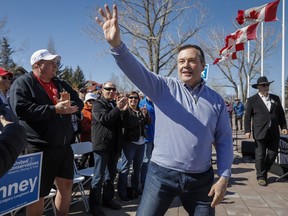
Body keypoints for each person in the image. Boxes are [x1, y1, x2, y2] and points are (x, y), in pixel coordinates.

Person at [95, 5, 233, 216]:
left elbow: (224, 141)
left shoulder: (216, 101)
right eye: (181, 61)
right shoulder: (163, 88)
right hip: (161, 176)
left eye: (191, 60)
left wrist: (224, 177)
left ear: (202, 65)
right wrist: (116, 45)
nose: (185, 65)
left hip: (200, 180)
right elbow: (136, 70)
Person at [9, 49, 84, 216]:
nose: (55, 66)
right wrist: (54, 109)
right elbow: (20, 109)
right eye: (50, 62)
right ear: (37, 65)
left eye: (55, 62)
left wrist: (70, 106)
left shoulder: (60, 83)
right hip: (39, 147)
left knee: (66, 186)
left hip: (64, 146)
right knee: (38, 194)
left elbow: (79, 101)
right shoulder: (23, 82)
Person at [89, 81, 127, 216]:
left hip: (114, 145)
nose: (111, 91)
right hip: (102, 145)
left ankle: (108, 199)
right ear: (102, 90)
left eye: (113, 89)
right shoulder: (98, 104)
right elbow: (105, 119)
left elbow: (121, 123)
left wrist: (123, 110)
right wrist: (118, 108)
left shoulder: (113, 104)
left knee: (110, 175)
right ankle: (94, 205)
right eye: (108, 89)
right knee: (98, 176)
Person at [244, 76, 287, 186]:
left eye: (267, 85)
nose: (266, 87)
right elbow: (247, 117)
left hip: (273, 131)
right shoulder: (252, 100)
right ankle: (261, 176)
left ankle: (264, 170)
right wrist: (247, 130)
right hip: (259, 131)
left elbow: (281, 115)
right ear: (258, 87)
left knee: (273, 154)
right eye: (263, 85)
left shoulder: (275, 98)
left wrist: (284, 127)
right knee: (260, 155)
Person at [117, 91, 150, 202]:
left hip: (141, 144)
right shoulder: (126, 111)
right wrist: (141, 116)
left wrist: (146, 114)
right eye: (131, 98)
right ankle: (122, 193)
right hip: (129, 144)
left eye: (135, 98)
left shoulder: (141, 111)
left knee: (138, 168)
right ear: (128, 99)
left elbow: (148, 123)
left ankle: (136, 188)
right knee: (125, 168)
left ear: (138, 100)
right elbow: (129, 123)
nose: (133, 100)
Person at [139, 95, 155, 188]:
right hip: (147, 138)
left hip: (156, 137)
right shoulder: (142, 103)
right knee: (146, 160)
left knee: (153, 160)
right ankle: (143, 182)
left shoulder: (156, 102)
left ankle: (150, 179)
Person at [79, 92, 98, 169]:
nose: (91, 102)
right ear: (86, 101)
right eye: (89, 100)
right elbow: (84, 126)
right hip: (86, 139)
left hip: (94, 139)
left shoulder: (96, 110)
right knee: (84, 157)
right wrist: (96, 128)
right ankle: (80, 170)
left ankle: (90, 176)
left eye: (93, 100)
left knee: (93, 157)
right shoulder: (83, 111)